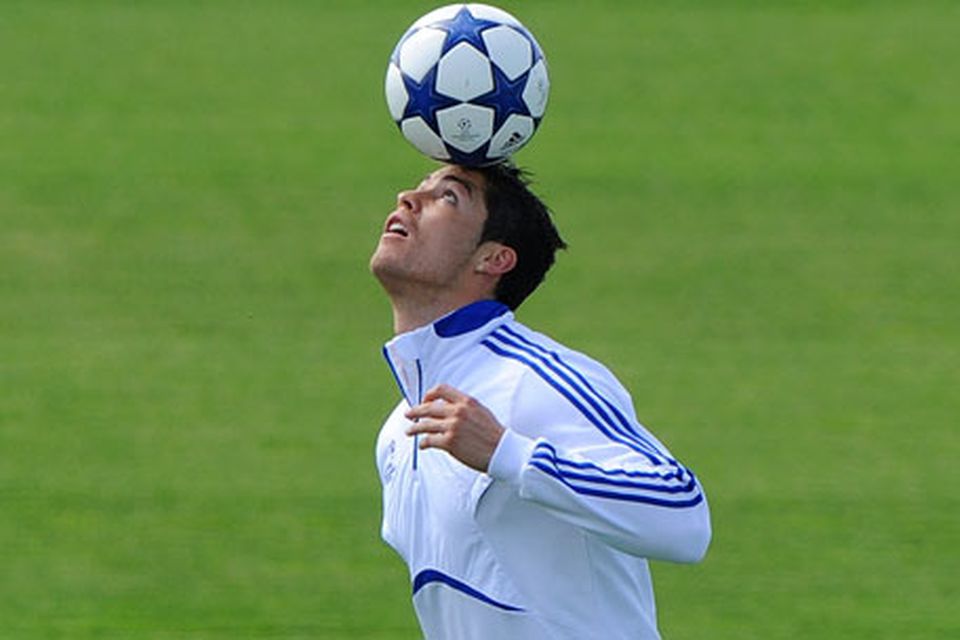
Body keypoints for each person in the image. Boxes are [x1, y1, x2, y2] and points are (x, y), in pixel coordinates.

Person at [369, 162, 711, 639]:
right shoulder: (399, 433)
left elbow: (683, 516)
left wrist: (508, 453)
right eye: (419, 187)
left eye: (449, 197)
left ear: (493, 259)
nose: (408, 197)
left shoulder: (533, 379)